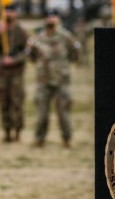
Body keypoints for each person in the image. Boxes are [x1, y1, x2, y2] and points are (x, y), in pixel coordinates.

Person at [27, 9, 79, 148]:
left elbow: (75, 55)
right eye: (48, 17)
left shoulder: (66, 37)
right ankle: (39, 139)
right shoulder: (38, 38)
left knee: (64, 113)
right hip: (43, 80)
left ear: (58, 19)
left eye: (53, 17)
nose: (50, 20)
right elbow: (31, 56)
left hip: (61, 81)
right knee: (41, 113)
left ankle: (67, 139)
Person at [0, 2, 29, 143]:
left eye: (11, 11)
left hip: (16, 72)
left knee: (17, 102)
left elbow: (27, 51)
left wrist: (14, 60)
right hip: (2, 73)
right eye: (7, 11)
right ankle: (7, 132)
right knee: (3, 102)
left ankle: (18, 132)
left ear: (16, 13)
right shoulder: (0, 29)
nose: (9, 14)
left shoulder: (21, 31)